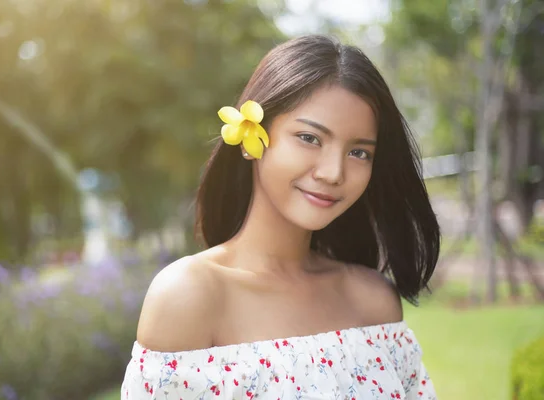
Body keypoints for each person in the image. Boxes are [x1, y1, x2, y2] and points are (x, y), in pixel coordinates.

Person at [121, 35, 440, 399]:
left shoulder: (373, 302)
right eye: (309, 137)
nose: (333, 172)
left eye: (359, 153)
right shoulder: (189, 296)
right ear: (250, 137)